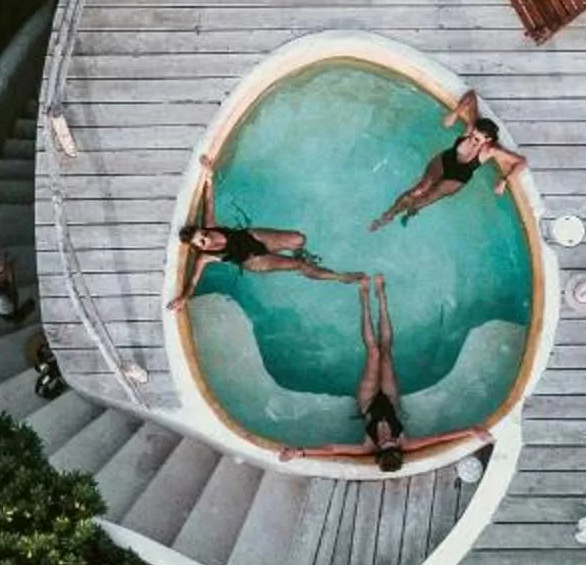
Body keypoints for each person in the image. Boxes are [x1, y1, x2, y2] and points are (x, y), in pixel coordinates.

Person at [278, 276, 487, 474]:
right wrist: (471, 432)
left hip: (368, 401)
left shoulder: (367, 446)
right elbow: (439, 438)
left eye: (385, 442)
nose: (389, 438)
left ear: (378, 448)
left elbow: (333, 449)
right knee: (386, 351)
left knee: (373, 352)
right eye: (393, 442)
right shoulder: (405, 443)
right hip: (390, 397)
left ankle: (364, 299)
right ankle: (382, 296)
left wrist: (300, 452)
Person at [370, 88, 529, 229]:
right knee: (417, 191)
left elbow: (522, 162)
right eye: (473, 136)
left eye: (477, 140)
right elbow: (471, 95)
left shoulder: (491, 150)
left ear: (487, 140)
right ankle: (388, 215)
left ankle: (409, 214)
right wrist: (456, 112)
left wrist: (504, 180)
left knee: (425, 200)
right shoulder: (471, 128)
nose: (472, 139)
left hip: (457, 178)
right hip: (445, 161)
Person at [172, 211, 356, 305]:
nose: (207, 239)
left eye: (203, 234)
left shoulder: (211, 226)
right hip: (254, 260)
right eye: (202, 242)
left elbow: (209, 199)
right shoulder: (204, 258)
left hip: (253, 236)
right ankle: (341, 277)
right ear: (199, 248)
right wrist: (184, 297)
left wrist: (209, 173)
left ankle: (301, 256)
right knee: (300, 266)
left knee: (299, 239)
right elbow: (193, 283)